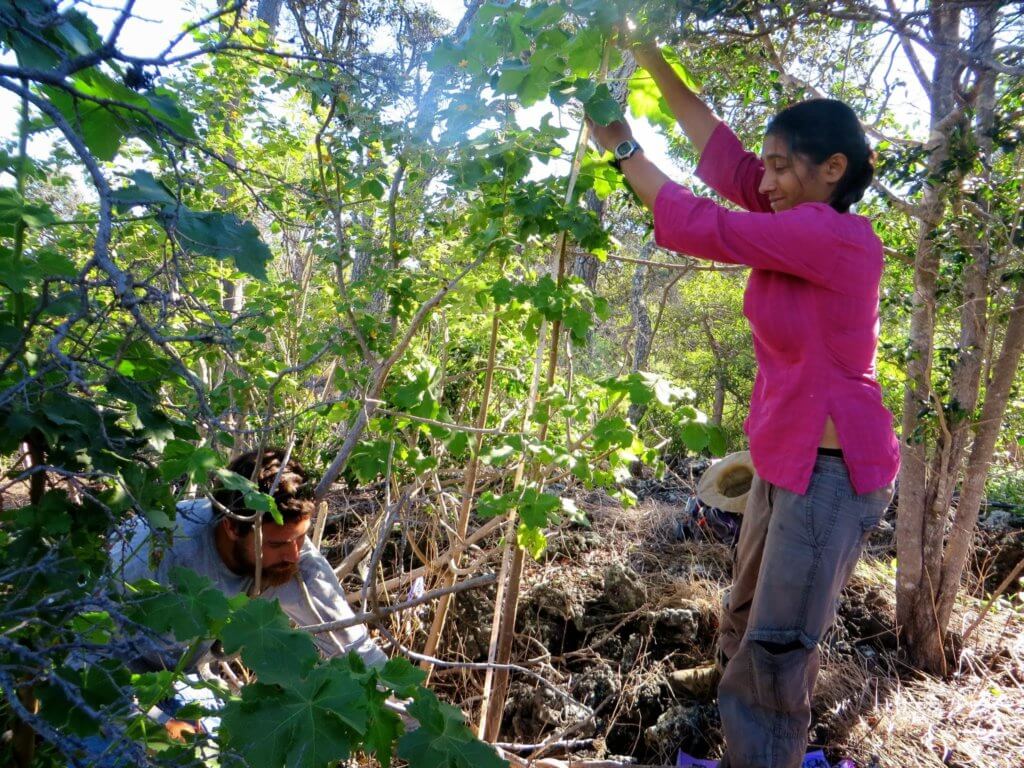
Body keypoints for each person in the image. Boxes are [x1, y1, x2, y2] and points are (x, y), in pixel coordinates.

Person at [588, 43, 900, 768]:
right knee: (748, 603)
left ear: (834, 170)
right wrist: (646, 54)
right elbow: (718, 149)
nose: (766, 179)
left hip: (832, 470)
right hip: (787, 455)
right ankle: (738, 705)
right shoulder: (790, 205)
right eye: (769, 163)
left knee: (780, 643)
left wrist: (622, 146)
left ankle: (760, 755)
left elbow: (705, 225)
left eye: (784, 165)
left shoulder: (831, 235)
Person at [109, 448, 388, 740]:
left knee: (230, 753)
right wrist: (155, 724)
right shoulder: (156, 553)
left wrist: (415, 716)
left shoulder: (296, 561)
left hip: (185, 677)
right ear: (231, 526)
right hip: (112, 676)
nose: (293, 555)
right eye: (278, 544)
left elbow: (354, 647)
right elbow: (87, 651)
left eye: (300, 537)